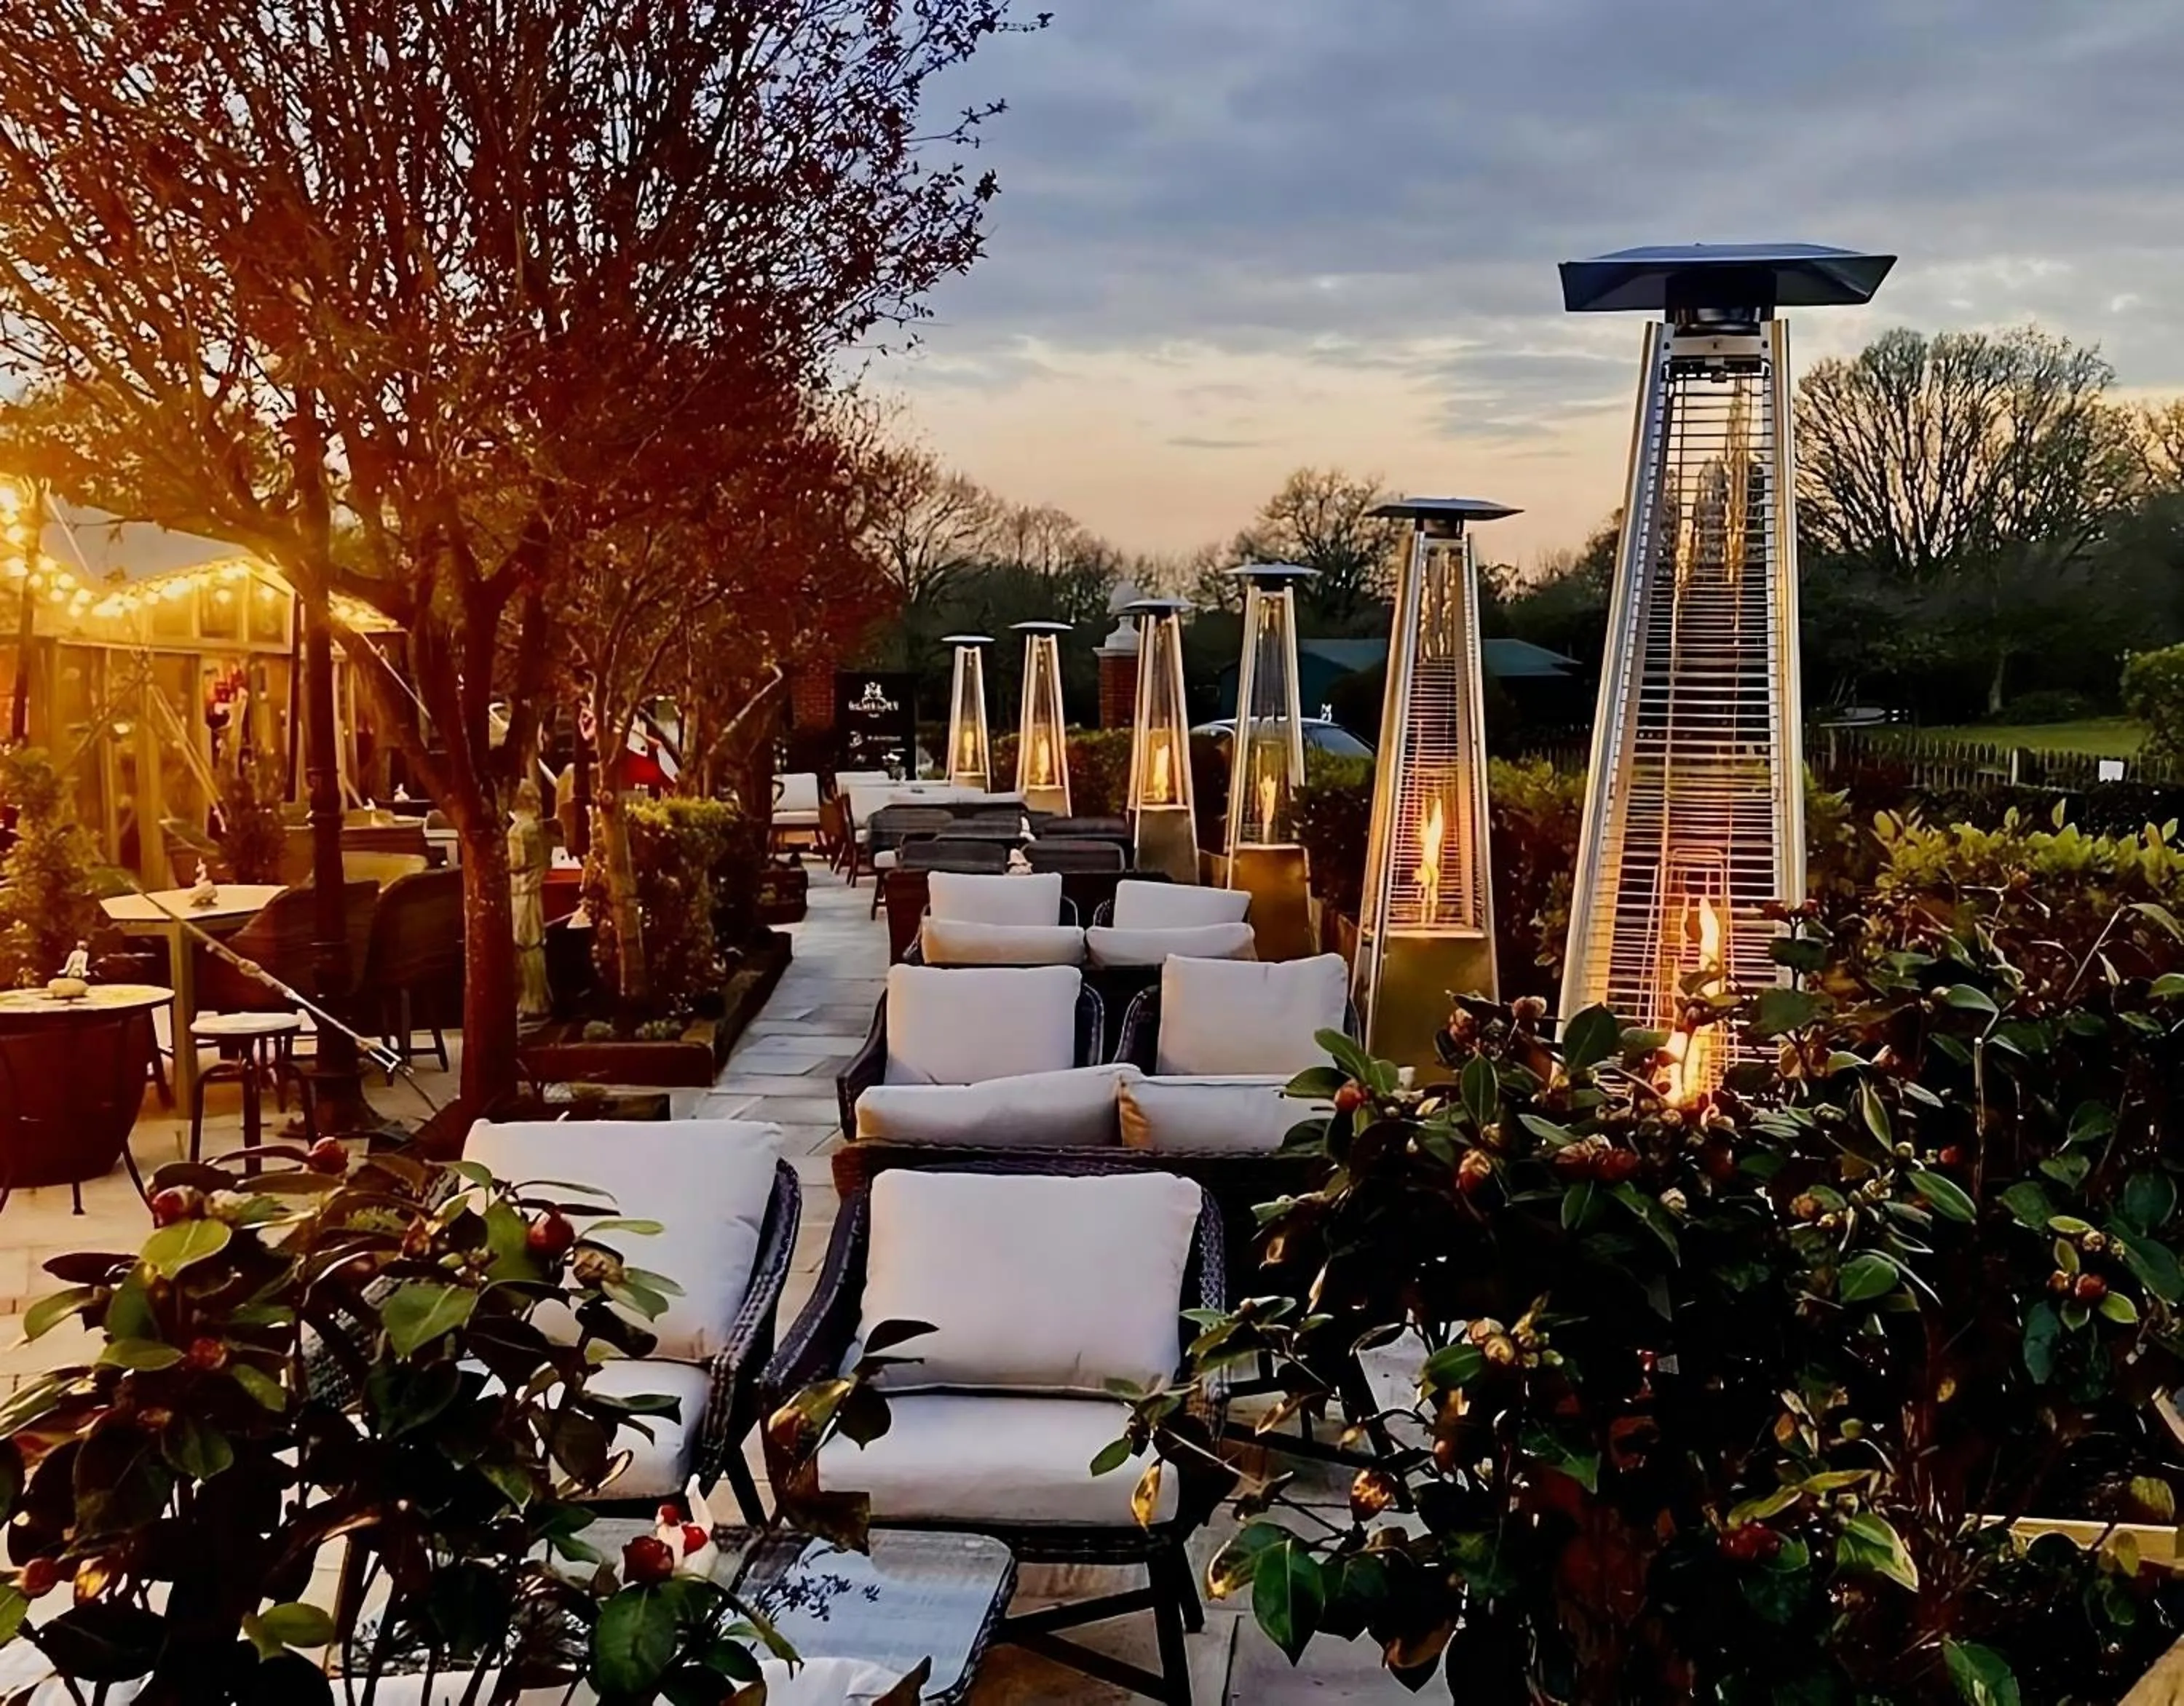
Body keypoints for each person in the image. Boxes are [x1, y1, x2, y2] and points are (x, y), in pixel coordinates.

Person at [508, 778, 551, 1019]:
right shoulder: (534, 826)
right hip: (530, 892)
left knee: (525, 945)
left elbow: (517, 863)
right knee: (532, 946)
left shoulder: (520, 830)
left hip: (521, 894)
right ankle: (536, 998)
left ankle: (532, 1000)